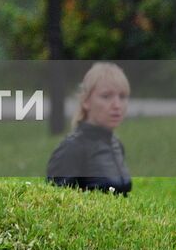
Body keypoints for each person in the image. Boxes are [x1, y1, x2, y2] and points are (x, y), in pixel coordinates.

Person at [46, 62, 132, 195]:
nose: (117, 105)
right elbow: (56, 203)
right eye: (106, 96)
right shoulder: (71, 147)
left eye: (122, 96)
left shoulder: (116, 144)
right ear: (86, 101)